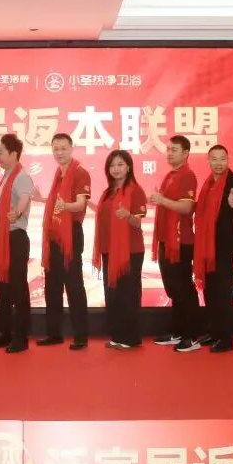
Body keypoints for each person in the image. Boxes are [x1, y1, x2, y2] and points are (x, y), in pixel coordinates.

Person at [37, 133, 91, 350]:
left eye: (63, 148)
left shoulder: (80, 173)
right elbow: (55, 204)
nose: (59, 153)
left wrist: (65, 207)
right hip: (54, 235)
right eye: (55, 149)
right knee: (52, 286)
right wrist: (40, 199)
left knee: (74, 286)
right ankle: (54, 333)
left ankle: (81, 336)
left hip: (71, 235)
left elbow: (80, 204)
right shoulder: (59, 174)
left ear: (71, 148)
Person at [0, 133, 34, 353]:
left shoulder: (22, 176)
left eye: (1, 152)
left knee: (18, 290)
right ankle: (5, 333)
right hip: (0, 242)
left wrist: (17, 212)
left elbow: (25, 197)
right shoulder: (6, 176)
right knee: (1, 289)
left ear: (13, 154)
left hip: (14, 240)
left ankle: (20, 338)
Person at [193, 145, 233, 353]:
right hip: (205, 246)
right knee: (210, 290)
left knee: (223, 291)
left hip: (223, 246)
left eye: (222, 159)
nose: (218, 163)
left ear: (228, 159)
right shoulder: (207, 184)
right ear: (208, 161)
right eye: (214, 159)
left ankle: (226, 337)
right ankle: (214, 331)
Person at [92, 150, 147, 349]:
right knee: (113, 294)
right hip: (109, 250)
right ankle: (117, 335)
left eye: (120, 164)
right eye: (112, 165)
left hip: (130, 251)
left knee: (128, 294)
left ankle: (131, 338)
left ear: (129, 167)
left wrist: (128, 216)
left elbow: (138, 222)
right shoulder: (108, 192)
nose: (116, 169)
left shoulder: (135, 191)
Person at [149, 135, 199, 352]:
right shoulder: (171, 175)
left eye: (174, 150)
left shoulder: (188, 175)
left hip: (181, 241)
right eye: (168, 150)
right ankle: (178, 331)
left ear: (186, 153)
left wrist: (162, 200)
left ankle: (192, 335)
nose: (169, 153)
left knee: (183, 288)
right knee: (173, 290)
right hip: (166, 240)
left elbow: (187, 208)